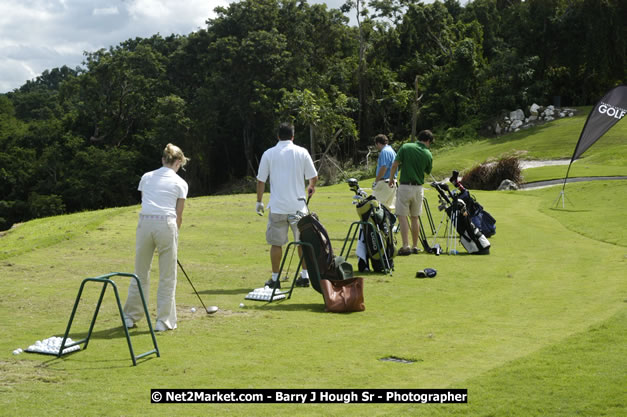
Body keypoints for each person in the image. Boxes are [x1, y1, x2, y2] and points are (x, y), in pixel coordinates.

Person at [123, 143, 189, 332]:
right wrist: (174, 237)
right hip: (166, 224)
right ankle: (163, 321)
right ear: (177, 162)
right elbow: (179, 215)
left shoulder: (147, 177)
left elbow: (146, 202)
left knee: (140, 273)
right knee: (167, 276)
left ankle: (130, 317)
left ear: (163, 160)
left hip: (145, 224)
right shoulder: (180, 183)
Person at [256, 122, 318, 289]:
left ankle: (275, 278)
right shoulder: (302, 152)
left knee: (276, 244)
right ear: (292, 136)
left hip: (277, 207)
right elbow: (313, 176)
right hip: (298, 206)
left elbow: (261, 180)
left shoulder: (269, 153)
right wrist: (311, 187)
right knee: (302, 242)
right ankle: (304, 276)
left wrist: (259, 201)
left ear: (278, 136)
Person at [388, 130, 434, 256]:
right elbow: (427, 170)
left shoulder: (406, 147)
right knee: (415, 217)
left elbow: (395, 165)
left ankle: (405, 245)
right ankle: (415, 246)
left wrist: (391, 179)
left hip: (405, 186)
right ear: (428, 141)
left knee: (402, 217)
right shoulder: (428, 153)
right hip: (418, 188)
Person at [372, 134, 397, 209]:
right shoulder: (392, 151)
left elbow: (383, 167)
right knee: (387, 207)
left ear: (378, 143)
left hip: (384, 183)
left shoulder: (384, 152)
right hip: (392, 182)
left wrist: (376, 181)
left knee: (375, 205)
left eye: (376, 144)